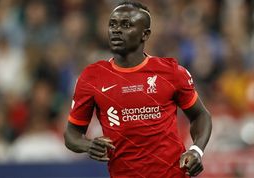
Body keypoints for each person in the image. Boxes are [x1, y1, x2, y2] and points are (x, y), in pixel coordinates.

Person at [64, 1, 212, 178]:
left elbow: (201, 115)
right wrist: (88, 145)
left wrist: (196, 150)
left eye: (126, 25)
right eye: (112, 24)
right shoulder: (92, 77)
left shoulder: (171, 72)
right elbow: (72, 135)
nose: (116, 30)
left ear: (145, 34)